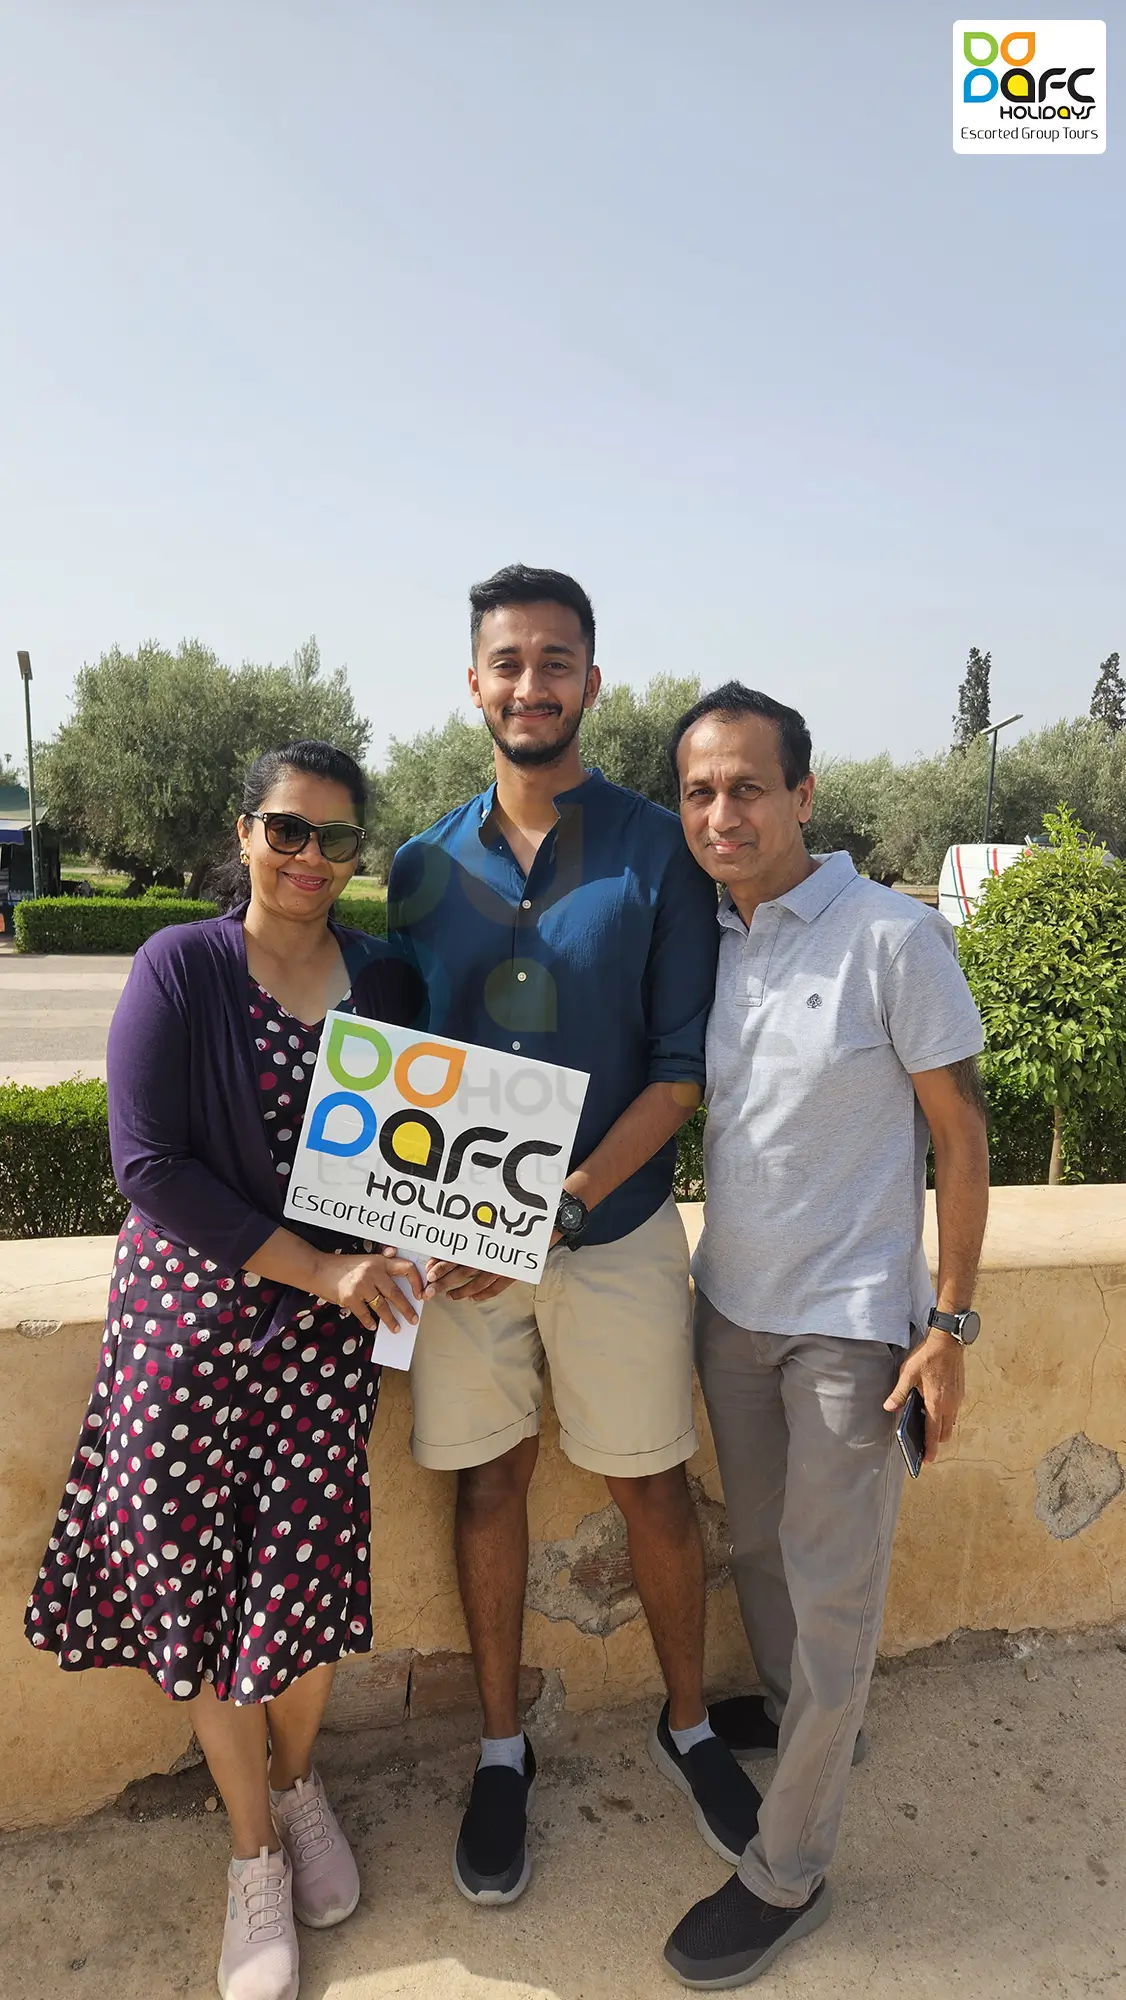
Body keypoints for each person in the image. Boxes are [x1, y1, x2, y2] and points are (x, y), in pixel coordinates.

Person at [26, 741, 429, 2000]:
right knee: (199, 1592)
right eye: (287, 829)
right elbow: (147, 1164)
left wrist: (447, 1237)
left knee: (302, 1584)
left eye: (336, 838)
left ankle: (298, 1785)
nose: (310, 857)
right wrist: (322, 1270)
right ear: (245, 830)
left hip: (323, 1346)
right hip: (187, 1335)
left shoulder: (388, 976)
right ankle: (253, 1850)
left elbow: (416, 1152)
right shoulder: (182, 965)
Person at [388, 564, 763, 1906]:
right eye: (508, 662)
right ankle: (502, 1751)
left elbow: (677, 1074)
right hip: (465, 1256)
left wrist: (557, 1209)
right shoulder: (419, 865)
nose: (531, 685)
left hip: (615, 1235)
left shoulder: (657, 848)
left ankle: (688, 1724)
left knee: (651, 1486)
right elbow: (403, 1071)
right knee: (485, 1486)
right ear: (473, 682)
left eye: (556, 662)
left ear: (591, 683)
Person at [659, 682, 990, 1988]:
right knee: (758, 1549)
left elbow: (960, 1135)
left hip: (851, 1331)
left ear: (802, 793)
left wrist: (948, 1322)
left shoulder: (891, 937)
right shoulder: (711, 936)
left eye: (747, 787)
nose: (721, 813)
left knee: (834, 1588)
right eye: (699, 791)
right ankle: (819, 1726)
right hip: (730, 1308)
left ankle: (786, 1869)